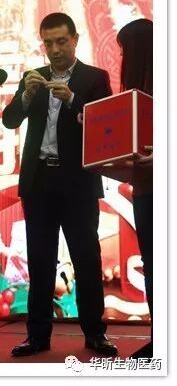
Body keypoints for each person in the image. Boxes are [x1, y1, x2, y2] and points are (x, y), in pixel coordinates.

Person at [2, 12, 117, 357]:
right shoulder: (33, 77)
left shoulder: (94, 78)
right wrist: (25, 97)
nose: (54, 49)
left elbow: (106, 126)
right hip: (39, 181)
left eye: (61, 42)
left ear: (75, 40)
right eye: (48, 43)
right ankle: (37, 336)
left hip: (78, 183)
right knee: (39, 261)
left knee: (86, 259)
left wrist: (72, 100)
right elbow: (9, 120)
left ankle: (95, 334)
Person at [117, 18, 153, 358]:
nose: (122, 58)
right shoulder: (132, 93)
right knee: (154, 263)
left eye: (125, 50)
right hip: (144, 188)